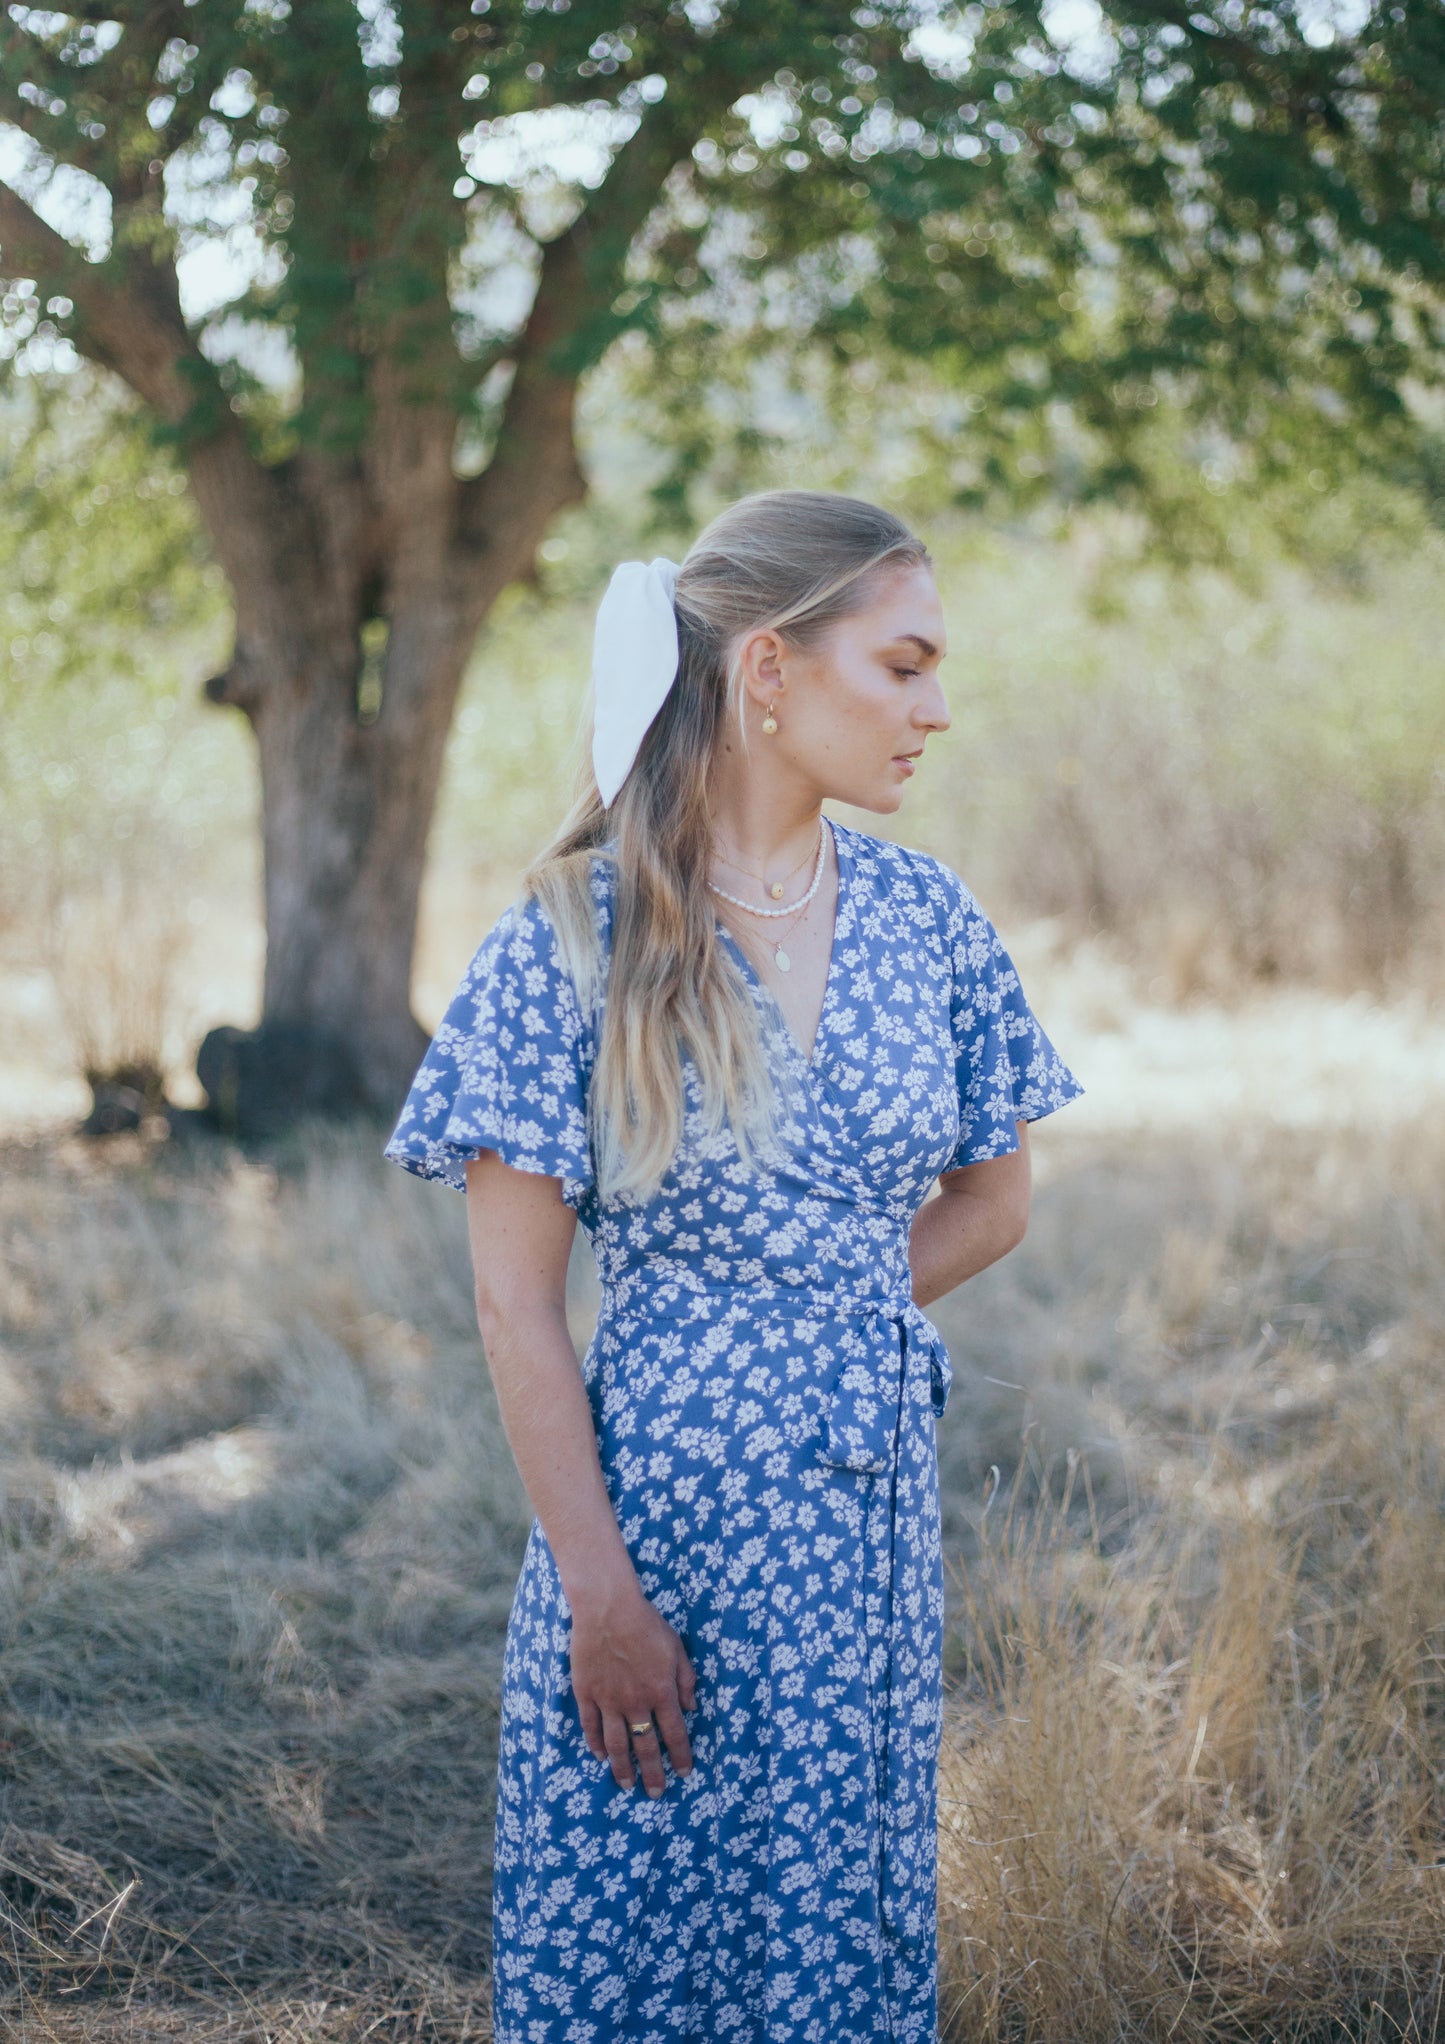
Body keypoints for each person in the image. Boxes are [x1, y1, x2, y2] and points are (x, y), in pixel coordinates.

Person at [383, 489, 1083, 2042]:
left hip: (865, 1515)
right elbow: (514, 1301)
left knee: (835, 1916)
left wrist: (823, 1318)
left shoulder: (930, 921)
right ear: (767, 670)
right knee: (641, 1913)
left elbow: (997, 1197)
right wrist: (599, 1594)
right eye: (899, 665)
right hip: (655, 1527)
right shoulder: (579, 933)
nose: (936, 708)